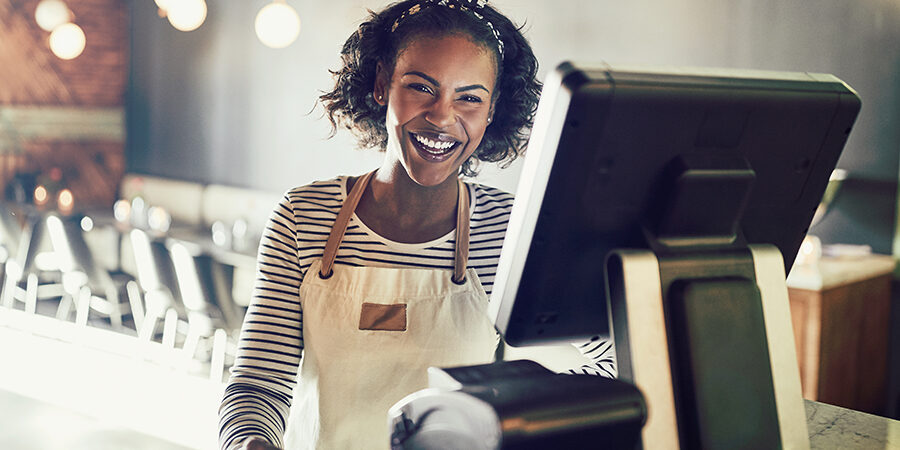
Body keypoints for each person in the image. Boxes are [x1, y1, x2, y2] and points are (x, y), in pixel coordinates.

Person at [218, 1, 615, 449]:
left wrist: (523, 417)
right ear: (382, 84)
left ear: (491, 110)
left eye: (469, 97)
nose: (443, 116)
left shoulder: (510, 230)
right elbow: (258, 385)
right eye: (422, 87)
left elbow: (620, 361)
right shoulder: (305, 216)